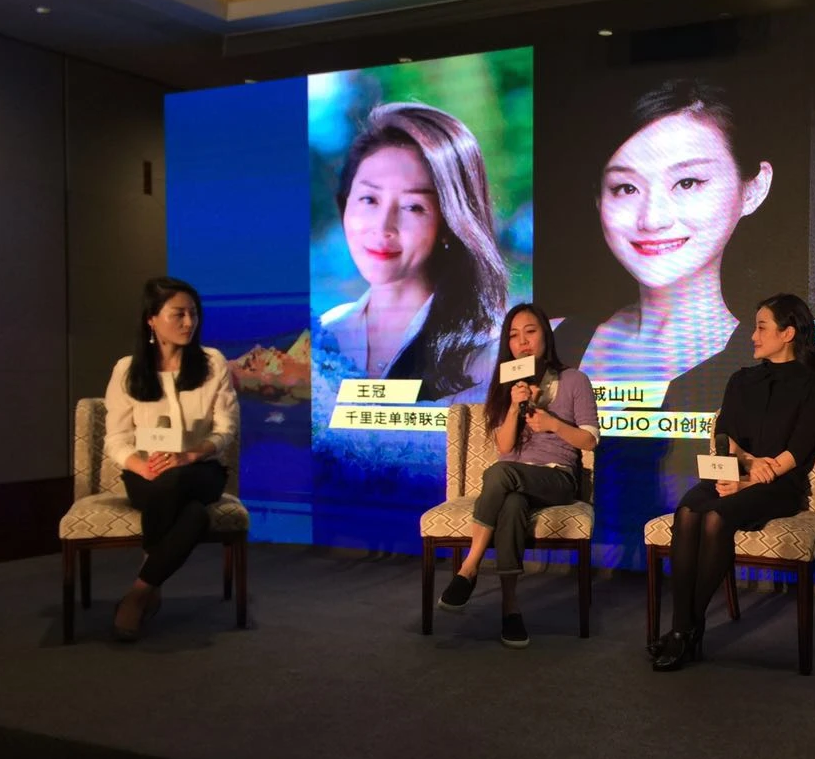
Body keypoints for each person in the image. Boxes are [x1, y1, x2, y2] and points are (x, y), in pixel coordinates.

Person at [552, 78, 775, 411]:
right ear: (598, 198)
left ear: (753, 188)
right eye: (626, 188)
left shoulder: (765, 367)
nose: (652, 219)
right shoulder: (551, 339)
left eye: (687, 182)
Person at [649, 293, 815, 671]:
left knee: (716, 518)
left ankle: (684, 631)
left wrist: (754, 481)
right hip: (733, 470)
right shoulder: (741, 379)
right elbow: (725, 435)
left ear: (788, 333)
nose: (753, 335)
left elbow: (799, 449)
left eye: (762, 327)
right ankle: (684, 626)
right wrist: (748, 464)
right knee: (687, 511)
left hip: (780, 485)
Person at [314, 102, 508, 402]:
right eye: (369, 199)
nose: (383, 227)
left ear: (450, 223)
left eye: (413, 207)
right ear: (345, 203)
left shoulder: (491, 355)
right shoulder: (326, 335)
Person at [435, 303, 600, 648]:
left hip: (557, 478)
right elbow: (506, 446)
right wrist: (514, 406)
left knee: (499, 473)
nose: (522, 342)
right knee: (511, 504)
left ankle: (469, 567)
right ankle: (511, 610)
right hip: (514, 480)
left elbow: (589, 440)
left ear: (546, 336)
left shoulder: (575, 380)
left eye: (530, 332)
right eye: (513, 335)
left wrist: (552, 423)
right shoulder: (506, 383)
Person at [104, 277, 241, 642]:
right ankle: (150, 587)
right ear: (151, 319)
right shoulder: (126, 370)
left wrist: (190, 455)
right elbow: (116, 439)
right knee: (193, 515)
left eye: (193, 314)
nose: (188, 322)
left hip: (201, 470)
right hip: (146, 472)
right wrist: (141, 466)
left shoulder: (212, 363)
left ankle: (138, 594)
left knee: (177, 479)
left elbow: (226, 428)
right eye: (178, 314)